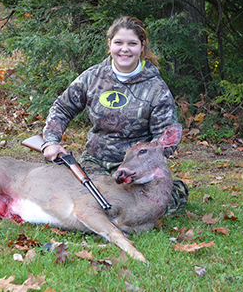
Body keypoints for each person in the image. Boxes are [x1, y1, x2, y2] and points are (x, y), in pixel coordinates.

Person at [41, 16, 188, 216]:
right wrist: (50, 141)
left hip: (135, 168)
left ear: (142, 47)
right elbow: (62, 108)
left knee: (147, 206)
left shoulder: (156, 88)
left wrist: (143, 170)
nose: (124, 49)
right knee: (85, 196)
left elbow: (165, 140)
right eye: (118, 42)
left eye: (132, 43)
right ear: (110, 44)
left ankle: (174, 190)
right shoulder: (92, 77)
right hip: (96, 161)